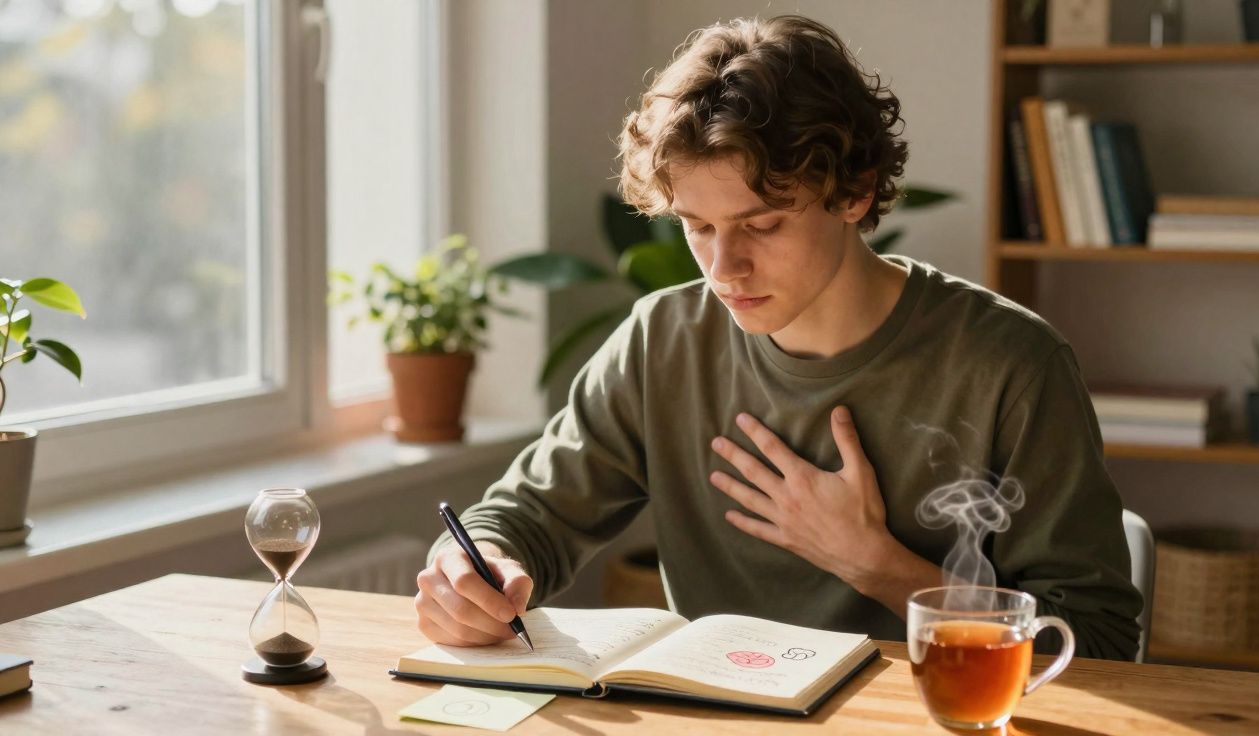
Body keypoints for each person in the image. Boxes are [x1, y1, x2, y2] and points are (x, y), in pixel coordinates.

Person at [415, 14, 1143, 660]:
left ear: (855, 192)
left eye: (761, 224)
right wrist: (473, 568)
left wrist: (874, 563)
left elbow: (1097, 643)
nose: (723, 268)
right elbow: (526, 517)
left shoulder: (1010, 365)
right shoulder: (663, 339)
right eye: (698, 226)